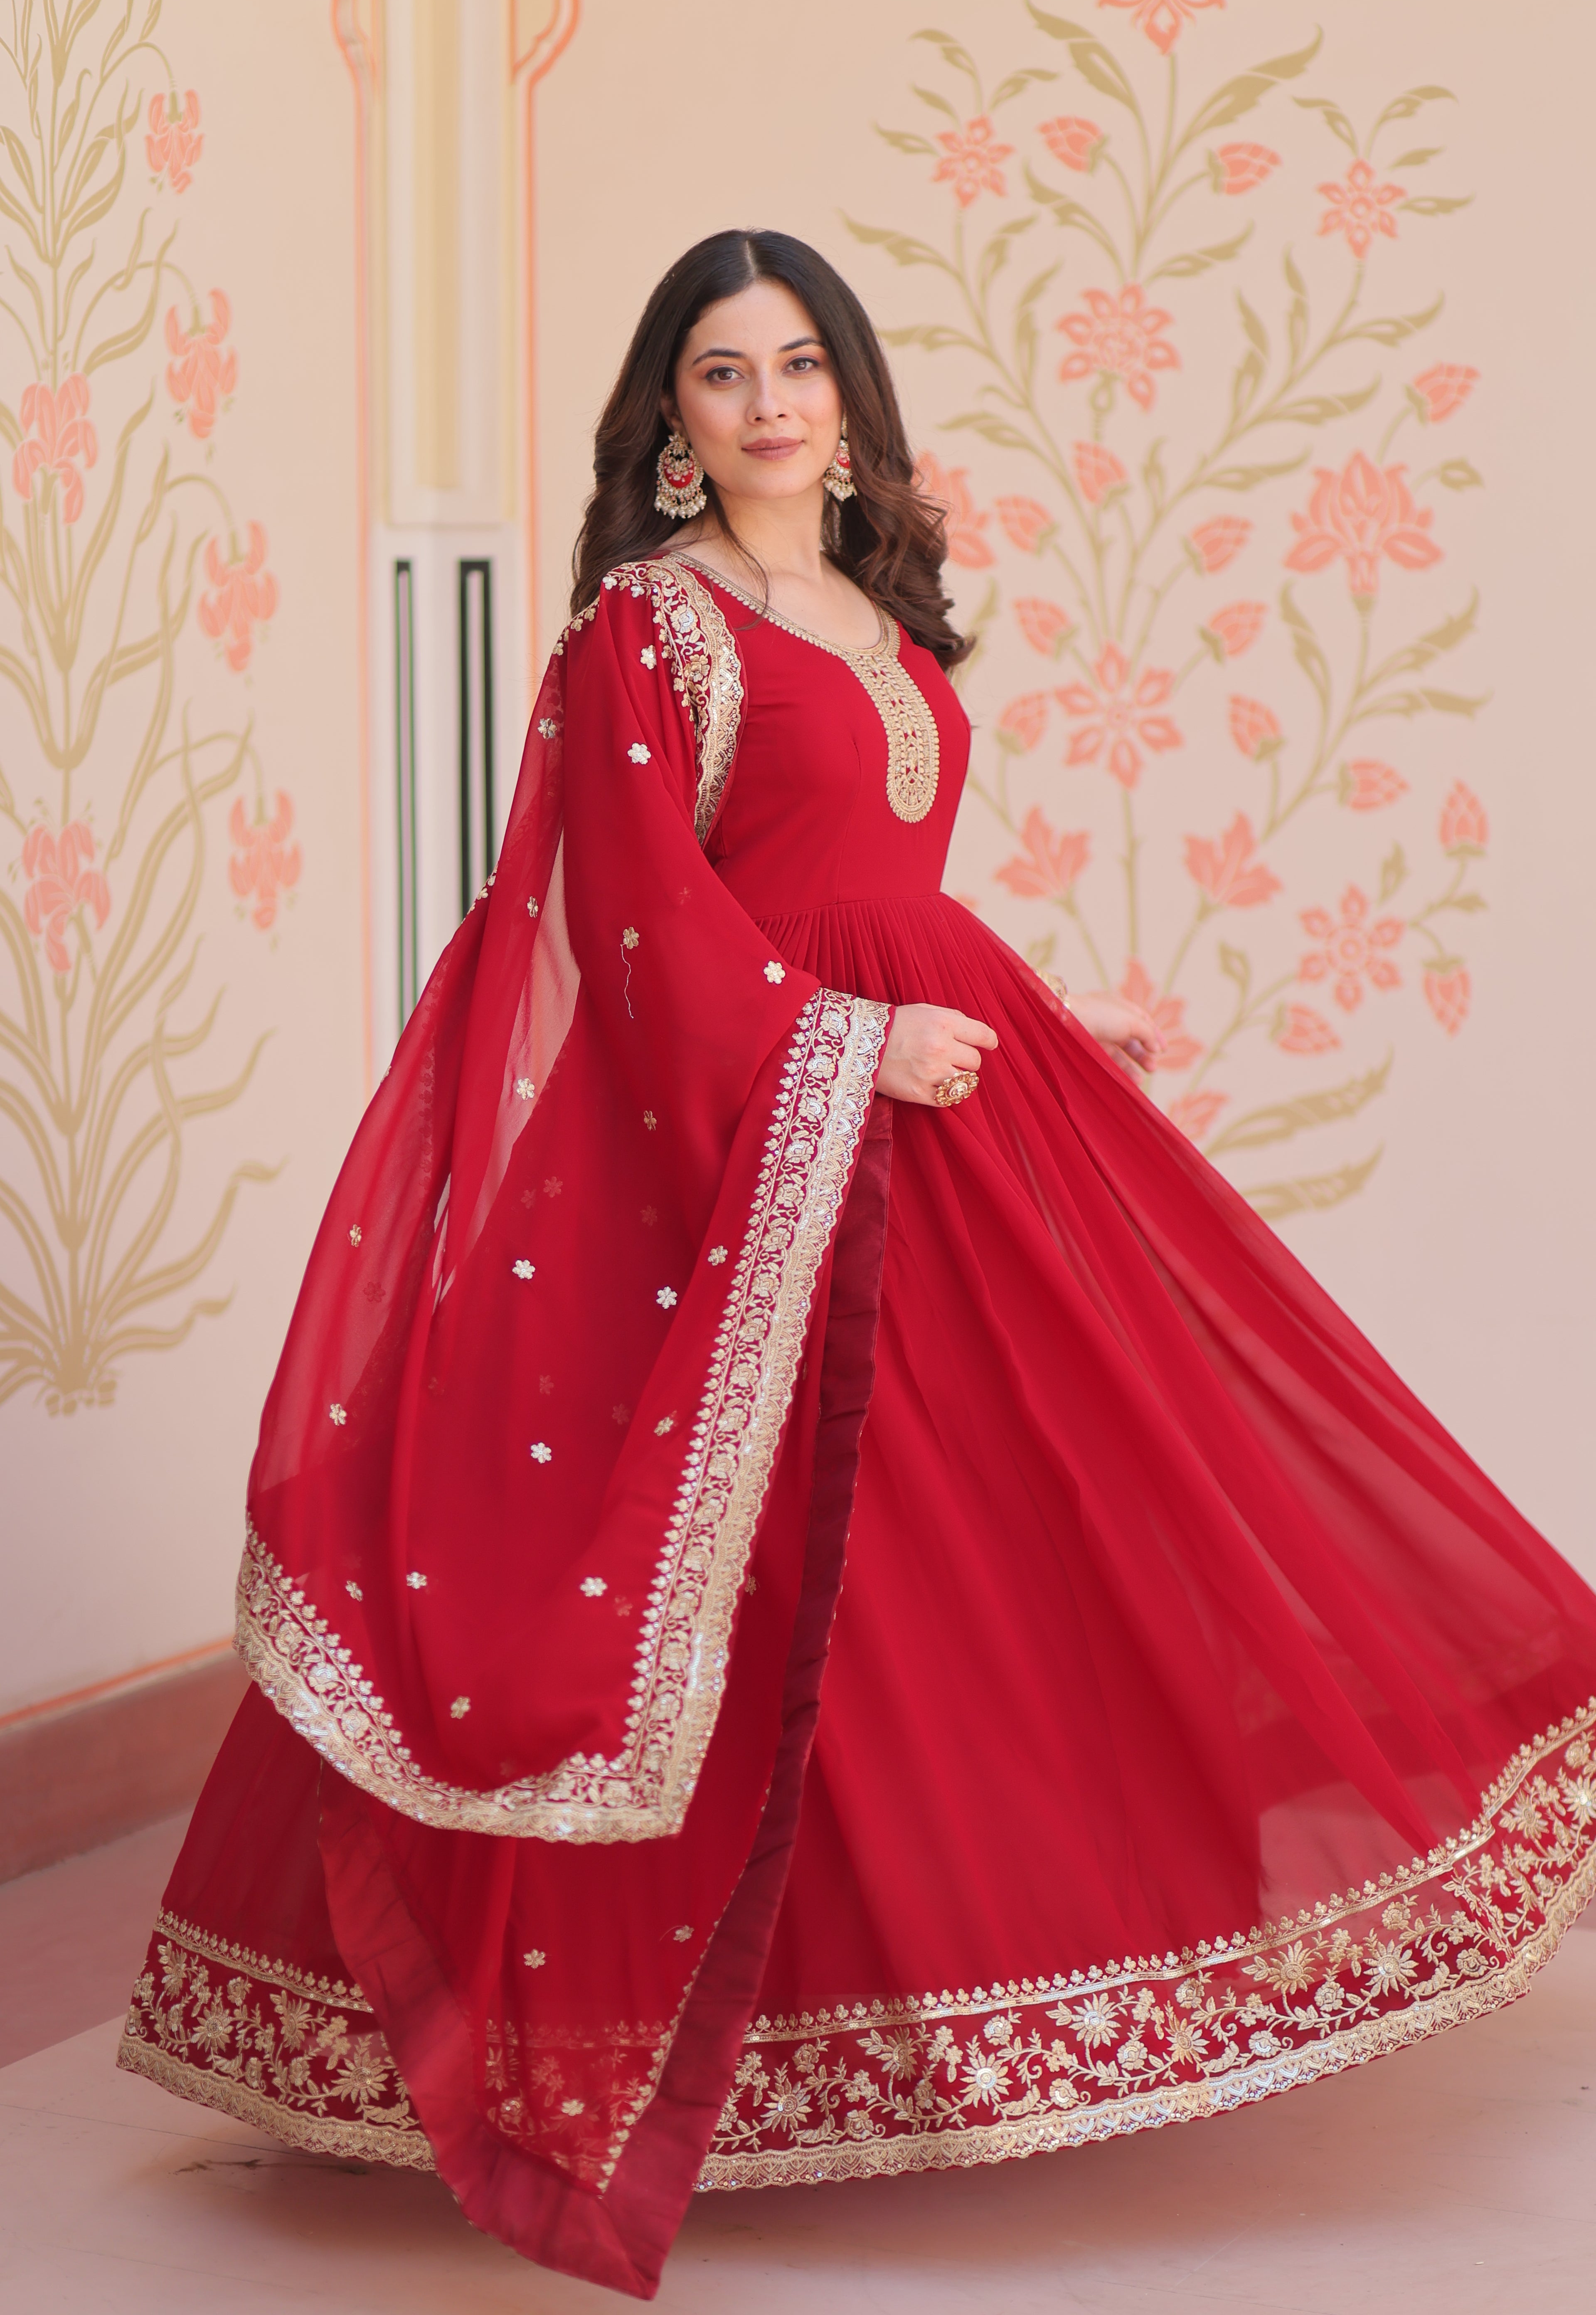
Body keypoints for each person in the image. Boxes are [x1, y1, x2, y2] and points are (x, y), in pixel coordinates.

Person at [119, 230, 1596, 2300]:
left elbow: (884, 888)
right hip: (751, 1154)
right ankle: (606, 2041)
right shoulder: (650, 631)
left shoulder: (876, 611)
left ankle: (984, 1997)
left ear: (853, 395)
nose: (770, 404)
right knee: (757, 1586)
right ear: (666, 423)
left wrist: (1040, 1026)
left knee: (993, 1556)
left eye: (801, 364)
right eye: (722, 374)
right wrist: (849, 1047)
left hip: (933, 1108)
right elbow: (632, 929)